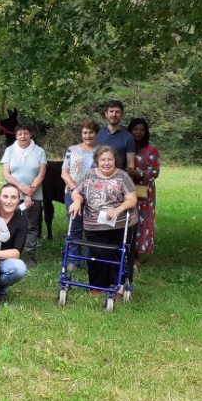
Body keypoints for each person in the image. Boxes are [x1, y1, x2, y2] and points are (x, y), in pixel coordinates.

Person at [67, 145, 138, 292]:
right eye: (103, 159)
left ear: (115, 160)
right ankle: (97, 286)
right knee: (97, 255)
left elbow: (132, 199)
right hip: (94, 224)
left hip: (119, 224)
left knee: (117, 254)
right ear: (97, 161)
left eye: (109, 159)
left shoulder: (122, 176)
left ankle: (117, 285)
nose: (106, 163)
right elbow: (77, 192)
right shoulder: (89, 175)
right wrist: (77, 201)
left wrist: (118, 209)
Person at [0, 122, 47, 267]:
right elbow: (6, 174)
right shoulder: (9, 151)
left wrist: (29, 193)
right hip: (11, 196)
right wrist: (21, 188)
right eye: (20, 133)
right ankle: (9, 254)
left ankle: (31, 256)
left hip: (34, 196)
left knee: (31, 226)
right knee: (9, 225)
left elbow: (41, 174)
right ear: (16, 135)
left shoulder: (39, 151)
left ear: (30, 134)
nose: (23, 136)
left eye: (26, 133)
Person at [61, 119, 100, 269]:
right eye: (85, 132)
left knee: (92, 229)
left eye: (91, 132)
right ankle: (74, 260)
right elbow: (64, 172)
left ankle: (91, 260)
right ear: (81, 133)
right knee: (74, 227)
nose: (88, 135)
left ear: (96, 134)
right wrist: (75, 188)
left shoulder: (102, 151)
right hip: (72, 193)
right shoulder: (72, 150)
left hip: (94, 195)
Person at [127, 118, 161, 262]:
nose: (138, 132)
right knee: (126, 220)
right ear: (130, 130)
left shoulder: (151, 149)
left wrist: (139, 173)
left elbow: (156, 172)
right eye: (135, 129)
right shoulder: (126, 146)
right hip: (126, 190)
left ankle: (136, 256)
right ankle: (124, 252)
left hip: (144, 193)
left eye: (142, 130)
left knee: (140, 223)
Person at [96, 100, 135, 170]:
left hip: (118, 178)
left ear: (122, 115)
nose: (114, 114)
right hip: (97, 177)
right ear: (106, 114)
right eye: (111, 111)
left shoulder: (128, 137)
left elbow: (130, 165)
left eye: (117, 112)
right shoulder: (97, 133)